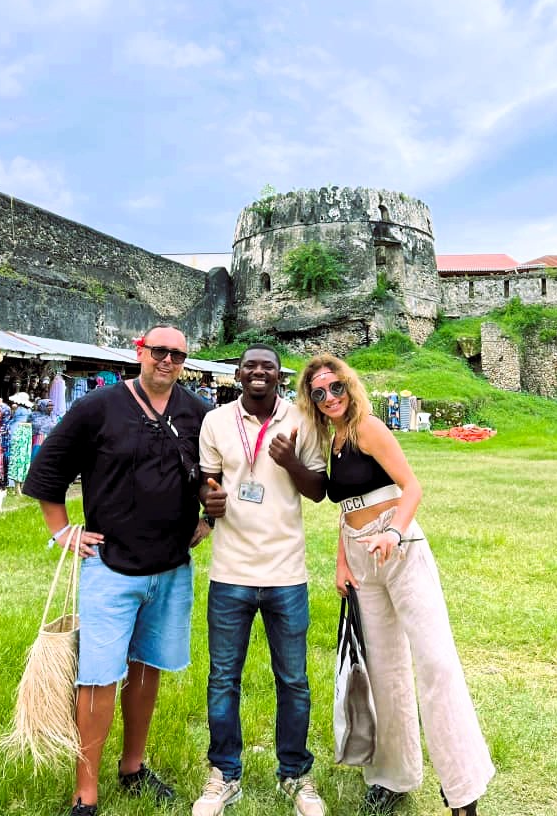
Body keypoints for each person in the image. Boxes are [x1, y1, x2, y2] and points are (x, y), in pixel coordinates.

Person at [297, 354, 494, 816]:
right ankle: (393, 776)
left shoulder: (367, 427)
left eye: (336, 388)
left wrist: (393, 532)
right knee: (385, 670)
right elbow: (346, 508)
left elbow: (411, 487)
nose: (329, 398)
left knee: (436, 662)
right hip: (362, 558)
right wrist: (343, 562)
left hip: (399, 547)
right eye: (319, 393)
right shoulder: (334, 438)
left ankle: (463, 789)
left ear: (350, 387)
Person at [23, 325, 209, 816]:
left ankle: (133, 766)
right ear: (140, 352)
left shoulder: (195, 413)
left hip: (170, 568)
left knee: (148, 666)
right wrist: (62, 531)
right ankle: (86, 792)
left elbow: (221, 473)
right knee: (100, 675)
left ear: (184, 360)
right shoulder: (99, 407)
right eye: (158, 351)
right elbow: (48, 468)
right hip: (111, 567)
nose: (167, 361)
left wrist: (209, 518)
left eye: (177, 354)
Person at [193, 344, 328, 816]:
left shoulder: (302, 420)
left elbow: (318, 491)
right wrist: (209, 502)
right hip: (230, 572)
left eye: (267, 367)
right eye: (250, 365)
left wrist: (291, 461)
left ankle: (295, 775)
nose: (257, 372)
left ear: (278, 376)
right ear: (237, 373)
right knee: (223, 679)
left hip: (286, 573)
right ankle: (224, 775)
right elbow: (209, 480)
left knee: (292, 680)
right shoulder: (216, 421)